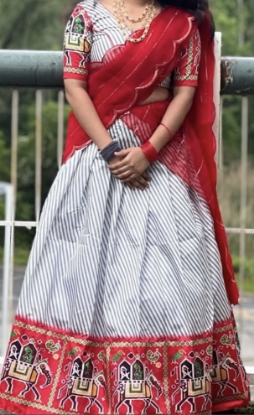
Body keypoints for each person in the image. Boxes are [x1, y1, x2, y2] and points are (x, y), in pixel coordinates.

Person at [0, 0, 250, 413]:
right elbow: (75, 86)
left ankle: (169, 393)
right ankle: (79, 390)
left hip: (162, 161)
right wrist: (112, 150)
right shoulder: (87, 15)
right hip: (97, 158)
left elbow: (185, 92)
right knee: (79, 274)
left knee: (173, 278)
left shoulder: (183, 22)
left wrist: (148, 151)